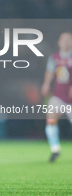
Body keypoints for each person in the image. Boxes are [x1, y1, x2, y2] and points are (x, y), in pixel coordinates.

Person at [41, 32, 72, 162]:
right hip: (58, 95)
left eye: (68, 40)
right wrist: (46, 83)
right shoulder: (54, 57)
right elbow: (50, 71)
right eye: (63, 39)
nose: (65, 42)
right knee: (51, 120)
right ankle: (55, 149)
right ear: (59, 42)